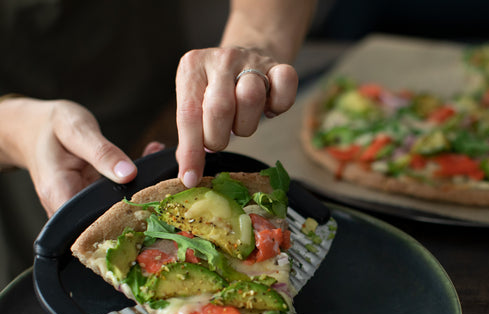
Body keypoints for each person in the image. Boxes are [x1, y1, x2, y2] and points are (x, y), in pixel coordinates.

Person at [0, 0, 317, 289]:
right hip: (32, 170)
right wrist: (18, 131)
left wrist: (253, 45)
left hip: (177, 116)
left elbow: (263, 17)